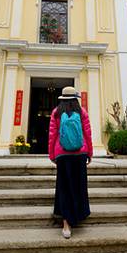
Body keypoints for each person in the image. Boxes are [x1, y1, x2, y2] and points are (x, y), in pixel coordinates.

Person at [48, 86, 93, 239]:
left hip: (62, 154)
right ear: (75, 99)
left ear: (62, 98)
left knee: (64, 186)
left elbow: (52, 135)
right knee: (79, 185)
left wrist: (52, 154)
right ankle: (78, 214)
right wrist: (90, 153)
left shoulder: (56, 112)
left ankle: (66, 223)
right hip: (80, 153)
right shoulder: (82, 112)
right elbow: (87, 133)